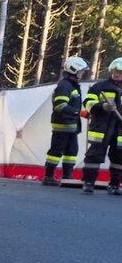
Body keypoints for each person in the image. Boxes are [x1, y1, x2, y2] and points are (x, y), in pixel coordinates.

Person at [42, 56, 89, 186]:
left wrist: (81, 114)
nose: (83, 73)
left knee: (72, 151)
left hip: (71, 125)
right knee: (56, 151)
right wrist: (79, 112)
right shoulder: (64, 86)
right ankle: (48, 176)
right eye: (82, 70)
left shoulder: (71, 85)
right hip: (62, 125)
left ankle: (67, 176)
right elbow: (60, 106)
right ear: (74, 70)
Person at [80, 57, 122, 194]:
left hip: (120, 131)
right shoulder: (99, 87)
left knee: (119, 158)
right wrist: (102, 106)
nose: (117, 74)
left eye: (120, 72)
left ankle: (114, 185)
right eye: (115, 71)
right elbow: (87, 104)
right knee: (94, 156)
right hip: (101, 129)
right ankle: (88, 183)